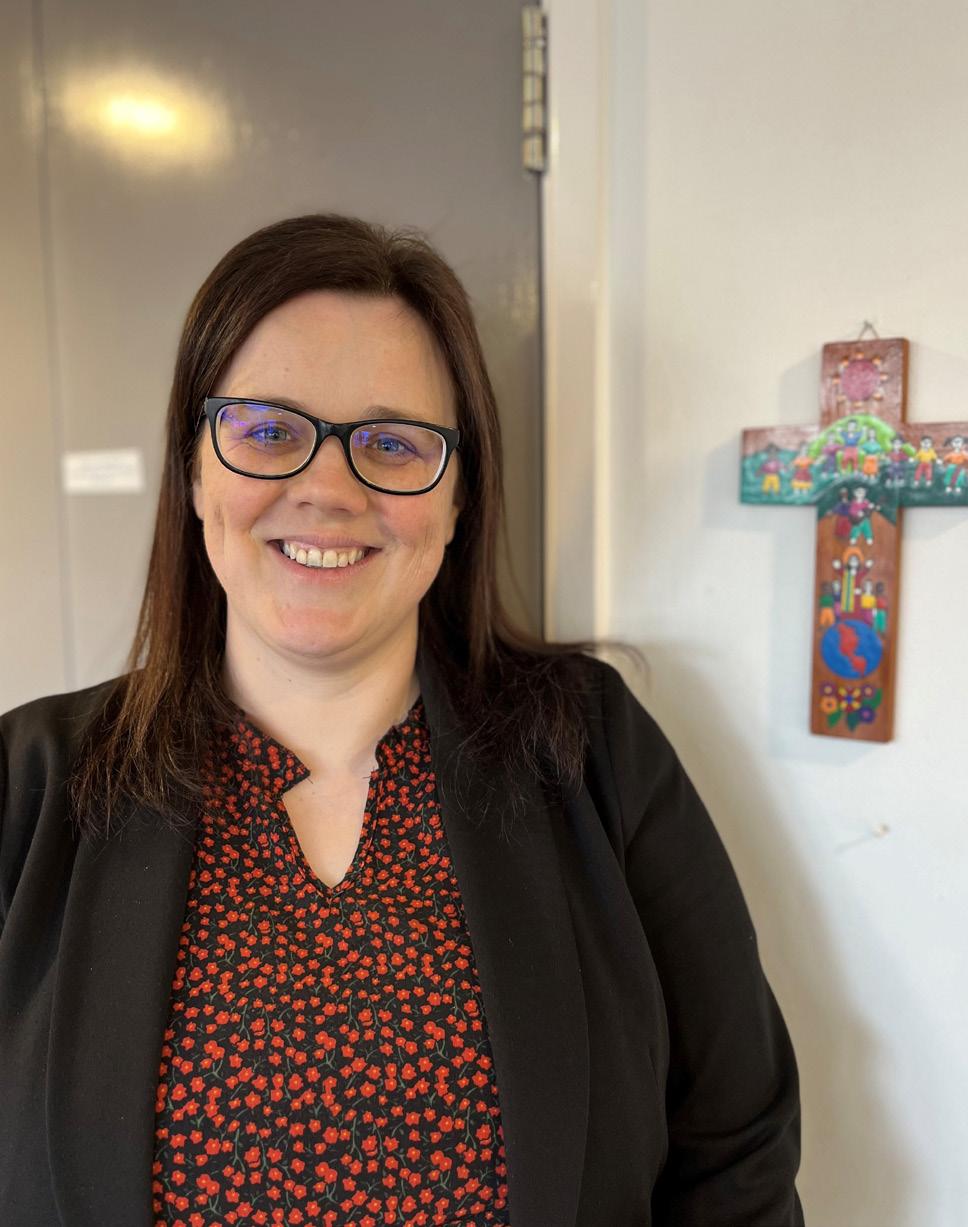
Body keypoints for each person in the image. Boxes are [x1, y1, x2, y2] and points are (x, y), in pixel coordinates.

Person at [0, 214, 805, 1226]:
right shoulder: (29, 786)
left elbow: (736, 1151)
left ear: (459, 496)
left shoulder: (590, 750)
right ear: (195, 470)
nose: (327, 489)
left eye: (391, 443)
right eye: (267, 430)